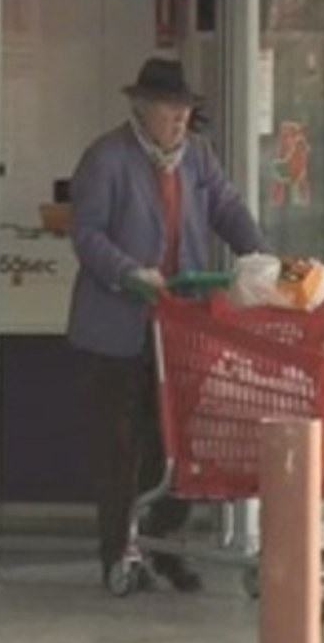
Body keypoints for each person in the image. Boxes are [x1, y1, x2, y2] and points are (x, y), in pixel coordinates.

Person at [68, 57, 266, 593]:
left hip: (181, 326)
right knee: (120, 446)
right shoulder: (107, 158)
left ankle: (162, 543)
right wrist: (129, 272)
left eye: (185, 109)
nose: (179, 118)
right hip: (116, 330)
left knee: (180, 444)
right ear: (142, 108)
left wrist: (264, 258)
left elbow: (227, 207)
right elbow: (86, 235)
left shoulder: (197, 157)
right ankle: (118, 553)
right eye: (169, 108)